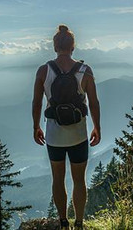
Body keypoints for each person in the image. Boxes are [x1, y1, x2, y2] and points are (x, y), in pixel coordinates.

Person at [32, 24, 101, 230]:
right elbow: (94, 102)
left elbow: (36, 102)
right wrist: (97, 127)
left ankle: (63, 222)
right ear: (73, 47)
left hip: (54, 135)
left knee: (58, 179)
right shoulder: (85, 71)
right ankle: (79, 223)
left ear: (55, 47)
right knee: (79, 180)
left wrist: (36, 126)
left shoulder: (44, 70)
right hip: (78, 135)